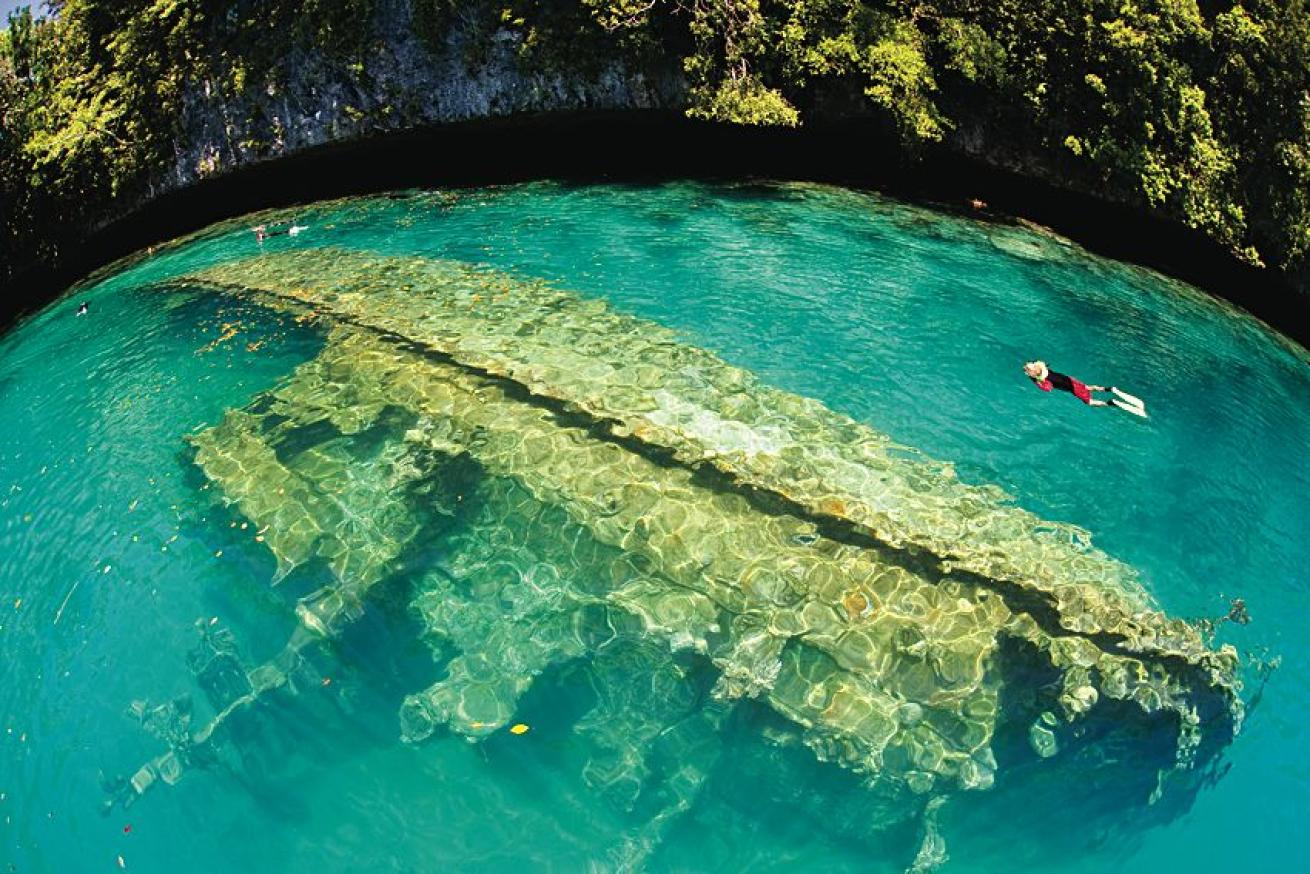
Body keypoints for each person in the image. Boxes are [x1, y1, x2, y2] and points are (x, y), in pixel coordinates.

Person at [1023, 360, 1147, 417]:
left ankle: (1111, 402)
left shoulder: (1043, 380)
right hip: (1071, 380)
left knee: (1089, 402)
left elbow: (1048, 389)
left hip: (1072, 388)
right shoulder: (1045, 369)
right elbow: (1041, 366)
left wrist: (1038, 383)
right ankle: (1110, 389)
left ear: (1033, 373)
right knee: (1087, 387)